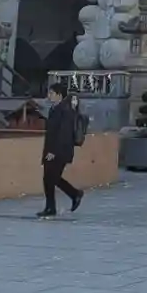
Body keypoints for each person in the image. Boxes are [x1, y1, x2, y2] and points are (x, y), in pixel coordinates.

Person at [37, 83, 84, 218]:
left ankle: (74, 194)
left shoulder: (65, 110)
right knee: (49, 178)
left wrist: (53, 151)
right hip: (51, 149)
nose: (49, 96)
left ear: (59, 95)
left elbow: (64, 134)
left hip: (60, 150)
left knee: (52, 177)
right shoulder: (54, 109)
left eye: (51, 93)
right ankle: (52, 206)